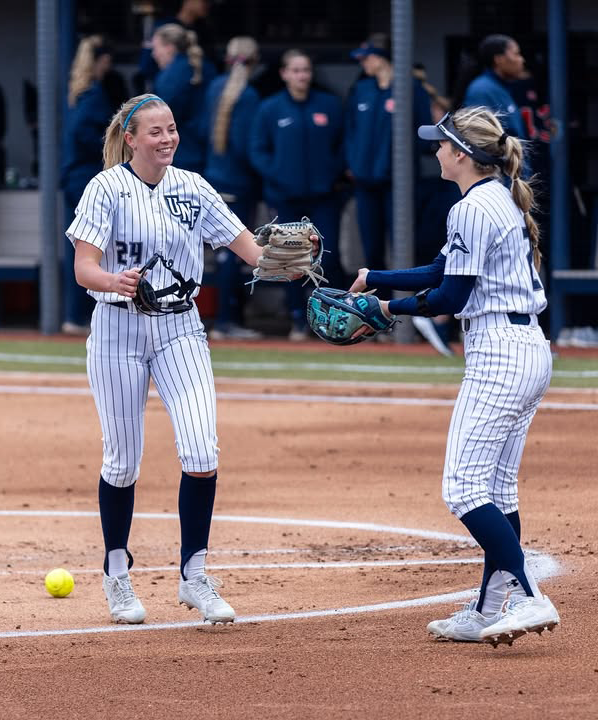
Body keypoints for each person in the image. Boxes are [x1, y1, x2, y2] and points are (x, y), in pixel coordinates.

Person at [65, 94, 317, 624]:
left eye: (172, 129)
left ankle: (194, 575)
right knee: (122, 459)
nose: (167, 138)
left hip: (180, 328)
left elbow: (249, 248)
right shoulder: (105, 189)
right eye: (154, 131)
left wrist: (293, 266)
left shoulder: (193, 187)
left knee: (202, 450)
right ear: (130, 139)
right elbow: (83, 267)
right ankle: (117, 575)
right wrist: (114, 281)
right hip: (117, 331)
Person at [349, 106, 560, 645]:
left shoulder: (471, 208)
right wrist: (375, 278)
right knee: (497, 489)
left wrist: (386, 313)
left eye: (441, 145)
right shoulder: (494, 197)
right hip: (528, 348)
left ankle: (531, 598)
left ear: (462, 155)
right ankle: (491, 608)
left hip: (499, 355)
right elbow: (443, 270)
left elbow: (449, 297)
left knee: (464, 489)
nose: (435, 152)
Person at [249, 48, 345, 340]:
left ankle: (331, 315)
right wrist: (278, 175)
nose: (302, 75)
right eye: (296, 70)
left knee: (327, 255)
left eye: (306, 70)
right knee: (288, 259)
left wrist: (332, 172)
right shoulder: (270, 108)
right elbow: (257, 150)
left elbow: (343, 144)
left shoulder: (329, 105)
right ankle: (297, 319)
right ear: (284, 74)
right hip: (284, 197)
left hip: (323, 195)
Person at [202, 36, 263, 340]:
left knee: (224, 253)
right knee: (236, 253)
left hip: (215, 177)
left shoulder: (214, 87)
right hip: (238, 181)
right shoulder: (248, 95)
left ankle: (226, 319)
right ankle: (227, 321)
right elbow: (245, 147)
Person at [61, 35, 118, 335]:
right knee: (89, 251)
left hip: (75, 175)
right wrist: (112, 150)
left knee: (83, 250)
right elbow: (86, 135)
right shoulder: (92, 93)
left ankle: (76, 315)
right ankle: (77, 315)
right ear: (101, 60)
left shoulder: (79, 90)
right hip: (83, 176)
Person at [151, 23, 216, 172]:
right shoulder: (207, 67)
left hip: (182, 153)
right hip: (210, 152)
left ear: (169, 47)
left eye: (156, 48)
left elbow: (160, 118)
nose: (153, 54)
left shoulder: (169, 77)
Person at [138, 0, 216, 89]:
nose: (208, 4)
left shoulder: (204, 30)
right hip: (167, 90)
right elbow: (146, 66)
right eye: (205, 1)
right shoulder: (162, 27)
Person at [463, 34, 527, 139]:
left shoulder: (501, 86)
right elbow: (481, 139)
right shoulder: (482, 90)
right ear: (499, 59)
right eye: (516, 54)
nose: (521, 60)